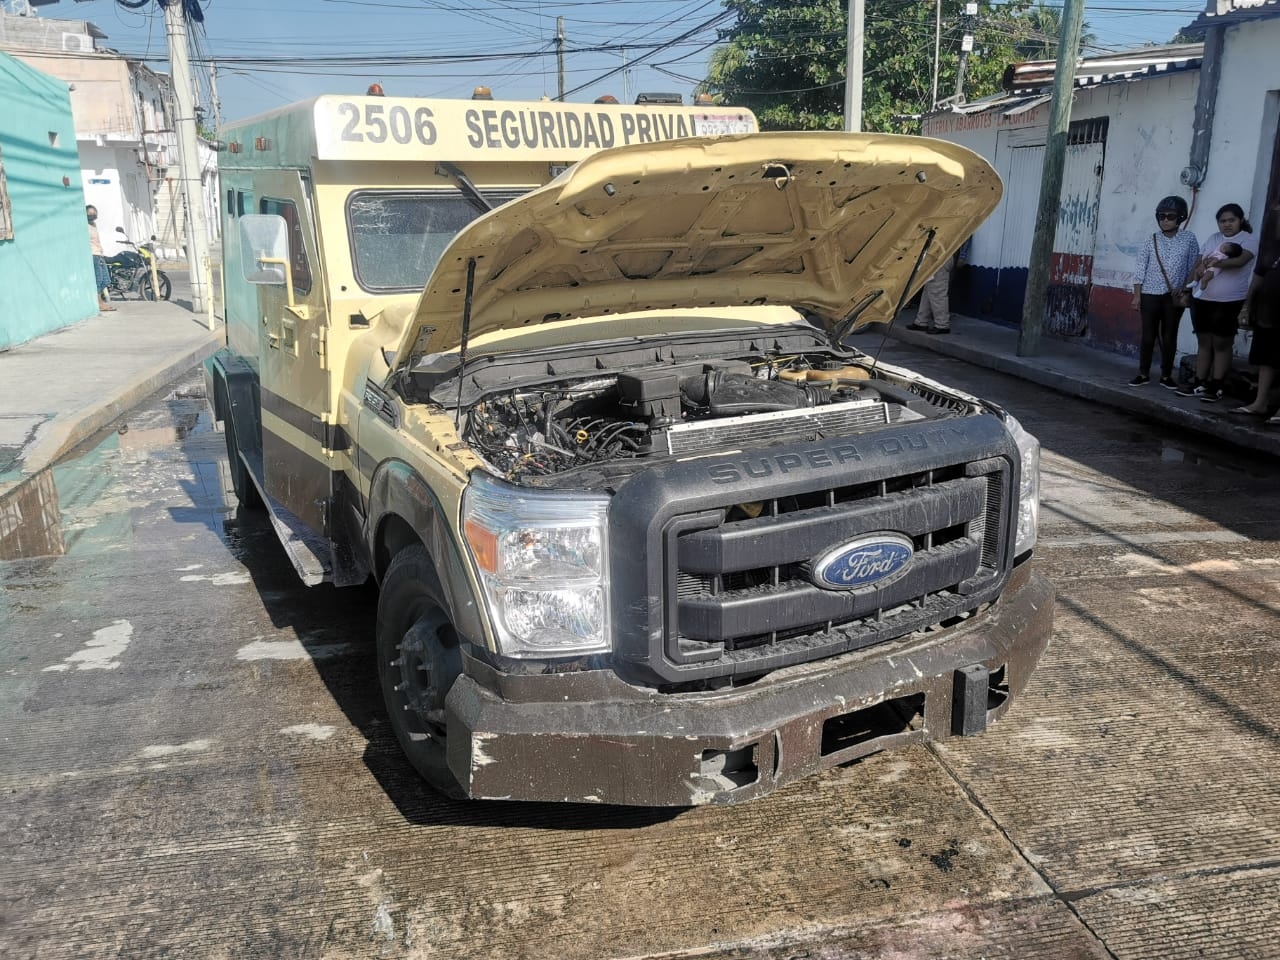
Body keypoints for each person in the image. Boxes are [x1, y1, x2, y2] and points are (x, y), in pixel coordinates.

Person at [1175, 203, 1257, 401]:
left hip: (1229, 301)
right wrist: (1187, 290)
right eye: (1222, 221)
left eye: (1231, 220)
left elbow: (1239, 261)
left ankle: (1217, 385)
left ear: (1240, 220)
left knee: (1221, 343)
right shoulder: (1213, 239)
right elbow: (1197, 264)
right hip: (1202, 298)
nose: (1227, 224)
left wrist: (1213, 263)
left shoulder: (1248, 240)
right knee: (1204, 341)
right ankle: (1200, 382)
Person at [1129, 195, 1198, 387]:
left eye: (1170, 216)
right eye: (1162, 216)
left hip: (1173, 296)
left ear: (1181, 217)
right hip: (1150, 294)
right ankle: (1143, 373)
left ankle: (1166, 375)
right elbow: (1140, 267)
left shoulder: (1189, 239)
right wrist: (1136, 295)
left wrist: (1185, 288)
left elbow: (1194, 266)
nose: (1165, 220)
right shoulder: (1151, 240)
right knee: (1148, 336)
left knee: (1169, 336)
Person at [1231, 206, 1280, 423]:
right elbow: (1259, 276)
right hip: (1268, 310)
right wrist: (1247, 305)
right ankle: (1260, 403)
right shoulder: (1272, 248)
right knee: (1266, 358)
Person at [86, 205, 115, 313]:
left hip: (99, 254)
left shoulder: (94, 224)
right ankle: (99, 303)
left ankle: (101, 301)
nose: (93, 216)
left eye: (94, 213)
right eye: (90, 214)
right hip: (93, 254)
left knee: (106, 280)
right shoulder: (85, 226)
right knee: (98, 280)